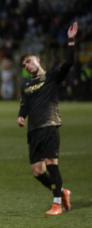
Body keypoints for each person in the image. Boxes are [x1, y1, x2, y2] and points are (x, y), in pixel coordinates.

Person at [17, 22, 78, 216]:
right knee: (37, 171)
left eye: (28, 61)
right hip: (33, 130)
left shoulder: (51, 77)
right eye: (24, 65)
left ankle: (57, 204)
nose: (26, 66)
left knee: (51, 164)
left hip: (50, 125)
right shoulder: (26, 85)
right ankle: (62, 192)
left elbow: (68, 63)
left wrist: (70, 40)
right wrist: (20, 116)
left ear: (37, 59)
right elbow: (24, 104)